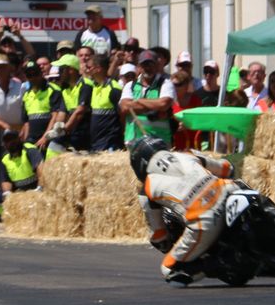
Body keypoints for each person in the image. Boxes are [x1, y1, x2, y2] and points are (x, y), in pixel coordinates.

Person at [129, 135, 236, 287]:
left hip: (205, 219)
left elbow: (158, 233)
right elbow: (226, 167)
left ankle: (215, 264)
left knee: (168, 269)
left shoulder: (147, 190)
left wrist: (162, 244)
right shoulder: (186, 155)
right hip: (229, 190)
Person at [120, 50, 175, 145]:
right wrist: (154, 107)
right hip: (134, 140)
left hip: (159, 140)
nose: (147, 68)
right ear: (139, 67)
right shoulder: (130, 85)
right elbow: (125, 107)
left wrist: (138, 101)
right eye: (144, 65)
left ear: (157, 66)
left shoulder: (165, 83)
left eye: (151, 64)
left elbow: (163, 104)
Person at [0, 128, 44, 219]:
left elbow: (41, 169)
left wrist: (40, 188)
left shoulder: (29, 150)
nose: (11, 142)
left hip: (35, 188)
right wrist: (7, 193)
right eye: (7, 140)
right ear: (4, 143)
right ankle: (9, 219)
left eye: (13, 139)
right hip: (19, 191)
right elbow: (5, 181)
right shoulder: (4, 159)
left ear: (19, 139)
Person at [81, 53, 123, 152]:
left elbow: (122, 115)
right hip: (95, 143)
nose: (86, 70)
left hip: (110, 143)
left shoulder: (114, 88)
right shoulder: (94, 87)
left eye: (89, 67)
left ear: (98, 69)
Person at [50, 55, 90, 152]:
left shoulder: (86, 85)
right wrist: (57, 128)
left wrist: (64, 129)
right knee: (52, 147)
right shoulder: (65, 88)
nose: (59, 72)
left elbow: (80, 112)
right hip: (71, 133)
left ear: (70, 70)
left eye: (61, 69)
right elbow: (62, 113)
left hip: (84, 136)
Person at [20, 60, 60, 148]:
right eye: (29, 75)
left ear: (41, 73)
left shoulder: (53, 90)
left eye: (35, 74)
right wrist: (26, 140)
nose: (33, 77)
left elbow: (55, 116)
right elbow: (26, 122)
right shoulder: (26, 95)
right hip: (31, 140)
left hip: (49, 140)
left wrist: (45, 138)